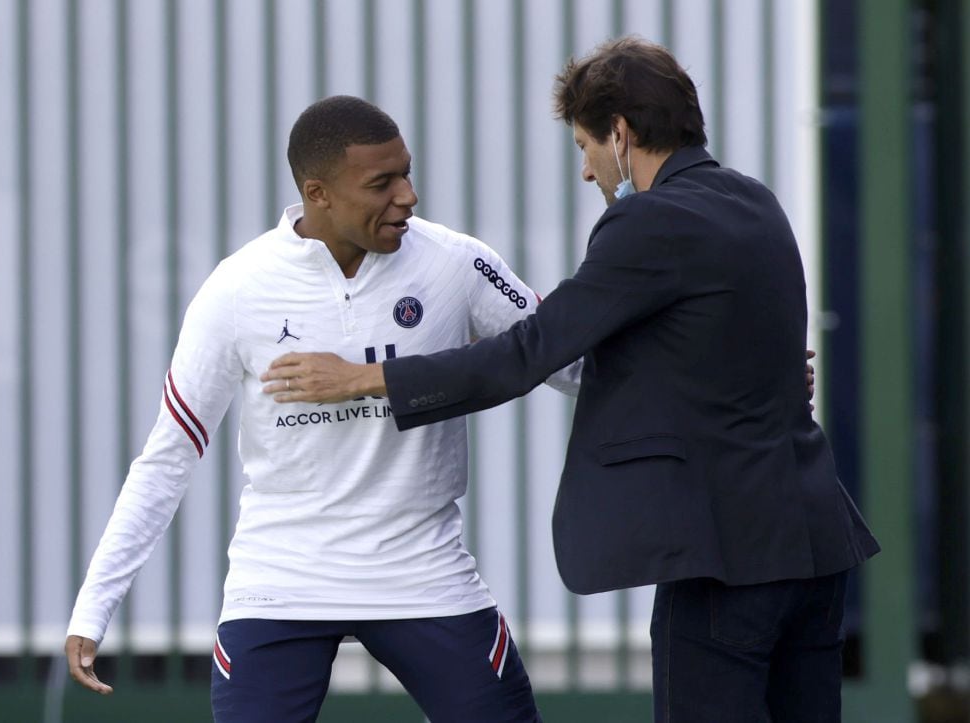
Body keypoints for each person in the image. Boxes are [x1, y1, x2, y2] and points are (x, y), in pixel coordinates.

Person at [262, 38, 880, 722]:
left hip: (723, 555)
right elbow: (718, 347)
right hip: (814, 540)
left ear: (620, 133)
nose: (588, 171)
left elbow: (529, 351)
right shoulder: (753, 200)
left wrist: (368, 377)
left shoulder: (650, 220)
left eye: (586, 145)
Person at [64, 95, 588, 722]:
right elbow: (169, 456)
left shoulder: (457, 262)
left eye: (407, 172)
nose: (409, 196)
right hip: (280, 580)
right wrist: (94, 607)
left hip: (421, 572)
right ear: (318, 193)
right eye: (382, 183)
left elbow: (571, 367)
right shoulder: (237, 287)